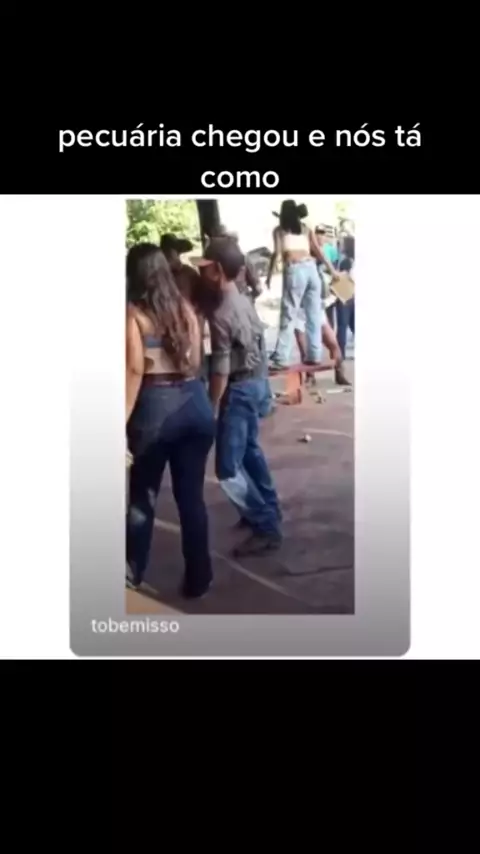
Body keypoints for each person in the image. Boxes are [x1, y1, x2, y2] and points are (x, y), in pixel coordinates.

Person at [126, 243, 216, 598]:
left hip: (154, 407)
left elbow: (135, 370)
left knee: (142, 496)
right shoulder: (186, 309)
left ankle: (132, 572)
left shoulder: (134, 314)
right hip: (194, 404)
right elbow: (195, 363)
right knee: (191, 498)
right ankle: (199, 578)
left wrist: (121, 423)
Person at [192, 238, 282, 557]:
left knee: (228, 469)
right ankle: (267, 509)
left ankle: (265, 525)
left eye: (204, 268)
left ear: (217, 270)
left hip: (239, 389)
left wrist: (211, 406)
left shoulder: (221, 312)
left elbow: (221, 369)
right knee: (249, 453)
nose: (200, 274)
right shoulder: (243, 300)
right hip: (255, 383)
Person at [266, 200, 338, 370]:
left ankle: (281, 358)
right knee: (313, 314)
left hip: (295, 269)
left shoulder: (280, 231)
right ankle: (315, 355)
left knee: (288, 314)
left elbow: (276, 254)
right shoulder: (306, 229)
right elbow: (318, 252)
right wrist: (332, 271)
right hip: (311, 270)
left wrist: (269, 275)